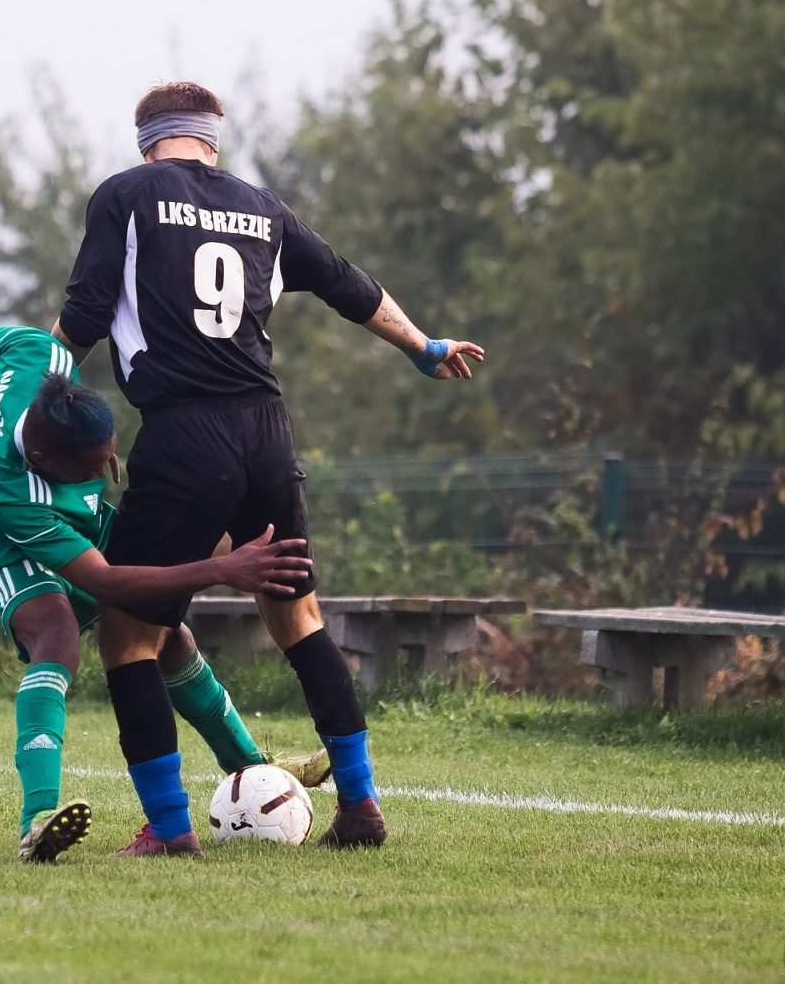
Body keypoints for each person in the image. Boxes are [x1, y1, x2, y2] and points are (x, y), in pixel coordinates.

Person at [51, 81, 485, 855]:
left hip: (184, 435)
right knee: (299, 620)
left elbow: (83, 316)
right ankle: (361, 804)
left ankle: (171, 829)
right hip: (267, 434)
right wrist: (423, 346)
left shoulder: (127, 196)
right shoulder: (262, 208)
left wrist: (25, 399)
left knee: (129, 635)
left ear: (147, 141)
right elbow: (349, 283)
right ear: (211, 139)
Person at [0, 324, 318, 863]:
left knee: (165, 633)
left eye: (109, 453)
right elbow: (106, 583)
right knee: (56, 633)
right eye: (93, 466)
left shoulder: (41, 356)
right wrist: (221, 569)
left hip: (68, 513)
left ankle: (253, 769)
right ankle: (37, 820)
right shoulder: (8, 490)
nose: (106, 469)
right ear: (42, 457)